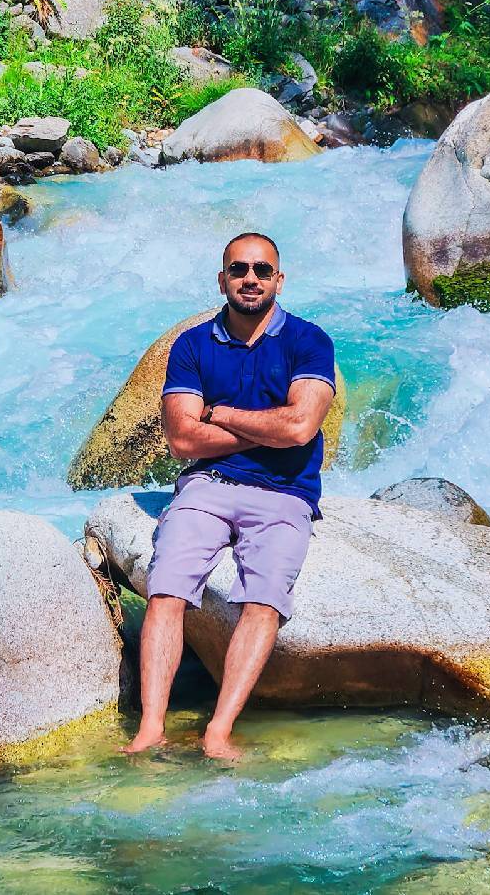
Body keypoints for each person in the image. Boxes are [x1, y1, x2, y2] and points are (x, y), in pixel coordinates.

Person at [122, 231, 336, 760]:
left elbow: (301, 427)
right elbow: (181, 440)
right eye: (239, 269)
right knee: (166, 589)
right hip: (208, 485)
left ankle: (218, 730)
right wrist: (269, 429)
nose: (250, 279)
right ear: (222, 280)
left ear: (279, 280)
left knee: (263, 601)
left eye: (262, 270)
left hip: (285, 494)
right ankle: (150, 728)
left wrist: (219, 414)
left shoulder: (309, 341)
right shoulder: (193, 345)